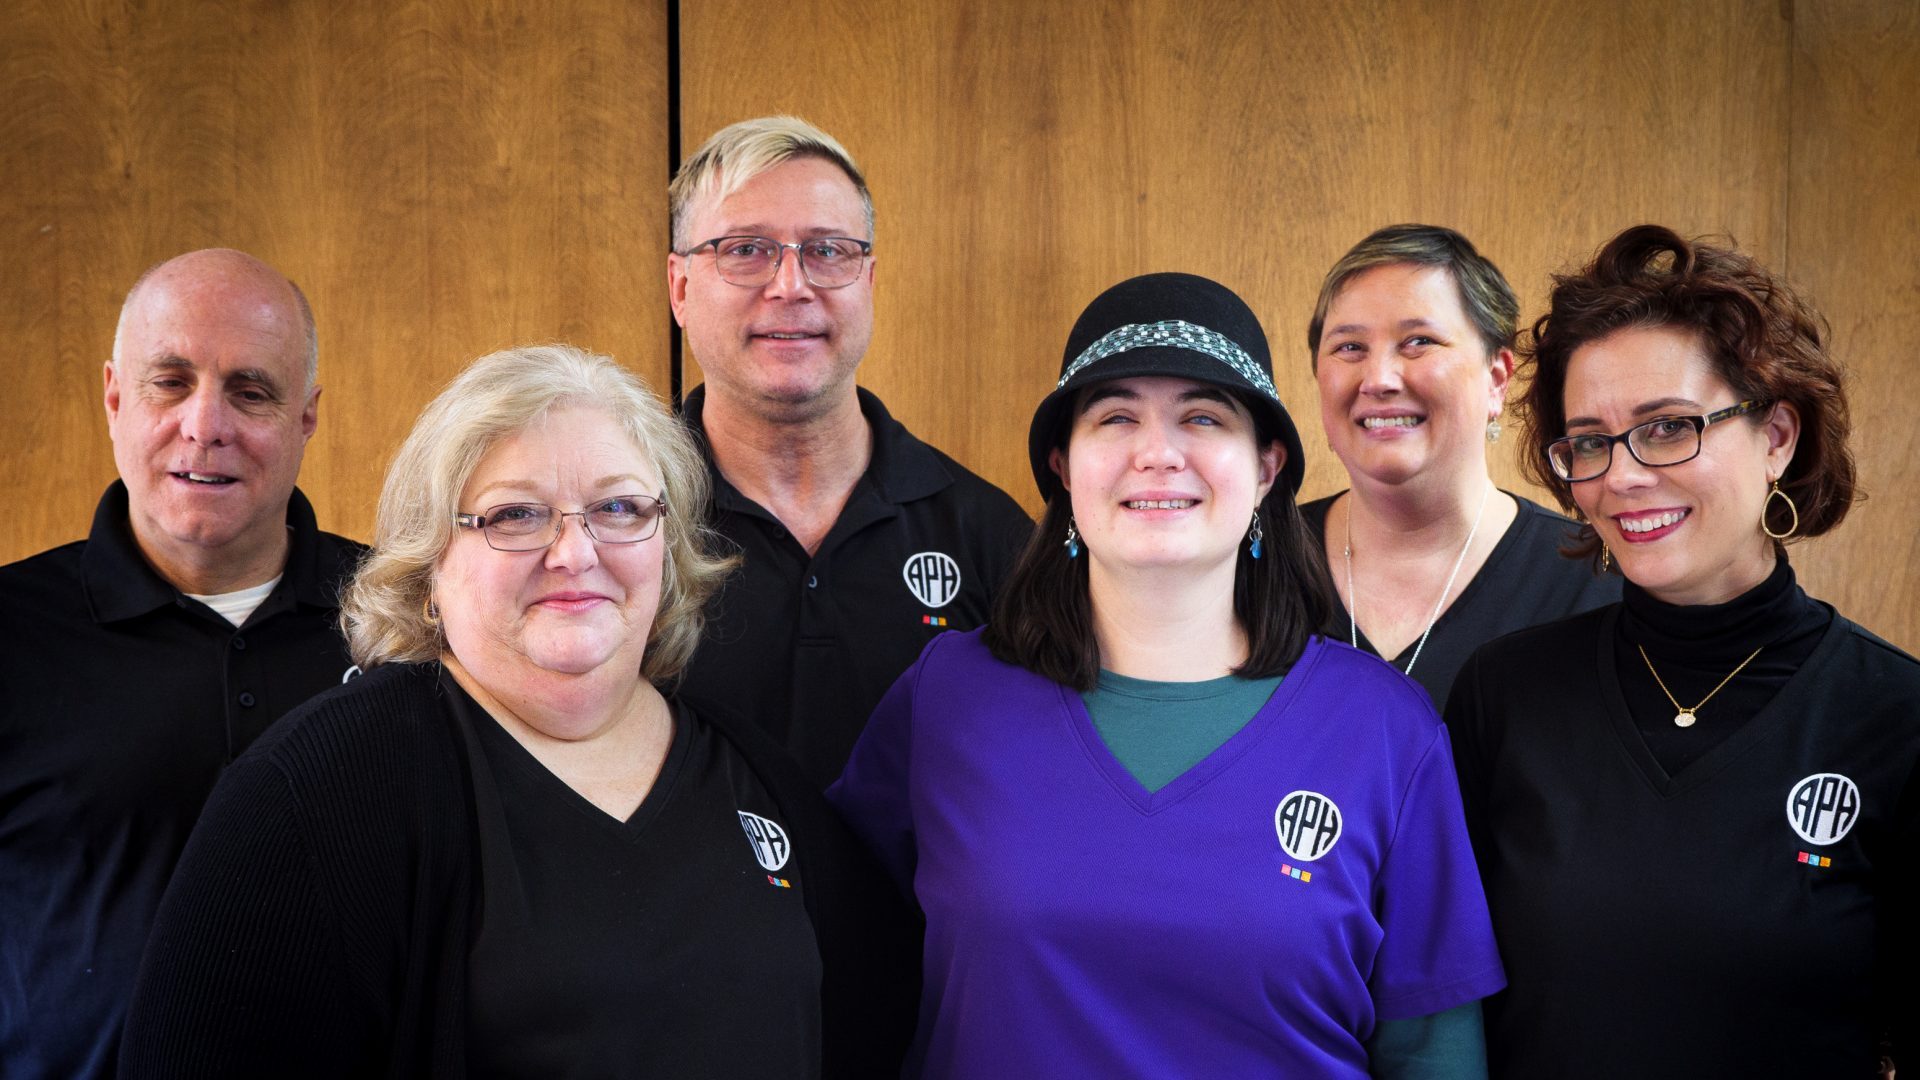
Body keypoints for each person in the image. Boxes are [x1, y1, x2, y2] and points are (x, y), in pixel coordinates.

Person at [118, 345, 913, 1078]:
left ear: (668, 550)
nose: (575, 552)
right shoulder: (316, 793)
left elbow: (870, 1032)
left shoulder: (755, 776)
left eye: (619, 509)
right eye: (515, 516)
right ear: (429, 564)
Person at [830, 273, 1504, 1078]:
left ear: (1265, 468)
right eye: (1116, 417)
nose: (1157, 453)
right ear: (1062, 466)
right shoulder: (948, 698)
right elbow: (837, 964)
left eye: (1203, 418)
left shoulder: (1386, 729)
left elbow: (1433, 1050)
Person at [1447, 225, 1917, 1078]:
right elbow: (1441, 1003)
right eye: (1588, 441)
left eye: (1667, 428)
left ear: (1778, 435)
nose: (1621, 475)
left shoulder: (1894, 718)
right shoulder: (1505, 694)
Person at [0, 248, 360, 1080]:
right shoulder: (13, 634)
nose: (206, 425)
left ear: (306, 417)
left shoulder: (409, 619)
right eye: (170, 381)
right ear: (114, 397)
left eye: (251, 390)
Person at [667, 115, 1032, 788]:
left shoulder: (988, 533)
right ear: (681, 288)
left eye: (828, 251)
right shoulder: (617, 523)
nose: (790, 285)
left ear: (869, 281)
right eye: (746, 250)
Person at [1302, 225, 1618, 707]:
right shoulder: (1256, 566)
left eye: (1418, 341)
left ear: (1496, 380)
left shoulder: (1593, 582)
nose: (1379, 379)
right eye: (1350, 348)